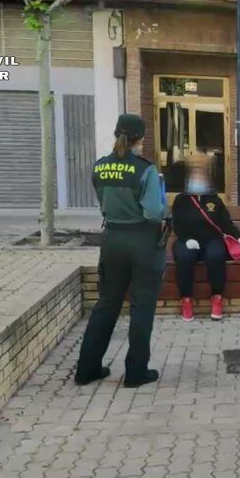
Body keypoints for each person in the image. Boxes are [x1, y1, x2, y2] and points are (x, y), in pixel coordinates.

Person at [75, 114, 167, 388]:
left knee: (106, 305)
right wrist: (165, 209)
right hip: (142, 242)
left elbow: (102, 200)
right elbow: (153, 212)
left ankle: (86, 369)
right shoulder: (145, 169)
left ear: (117, 134)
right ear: (141, 138)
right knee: (141, 308)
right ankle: (136, 372)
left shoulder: (100, 166)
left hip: (112, 239)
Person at [171, 154, 240, 321]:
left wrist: (239, 237)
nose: (198, 177)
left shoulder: (214, 199)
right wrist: (187, 238)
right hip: (189, 240)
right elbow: (177, 224)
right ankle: (186, 299)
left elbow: (225, 223)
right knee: (184, 257)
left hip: (211, 239)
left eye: (201, 174)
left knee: (215, 256)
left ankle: (217, 297)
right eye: (195, 174)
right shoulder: (181, 200)